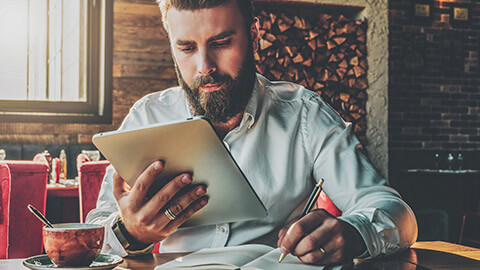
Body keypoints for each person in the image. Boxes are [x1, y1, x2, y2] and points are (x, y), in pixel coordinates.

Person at [86, 0, 417, 265]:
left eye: (221, 42)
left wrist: (355, 233)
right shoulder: (148, 117)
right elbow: (93, 236)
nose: (204, 66)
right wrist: (130, 231)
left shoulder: (304, 114)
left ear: (254, 33)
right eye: (186, 48)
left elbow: (394, 212)